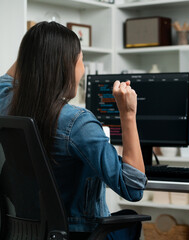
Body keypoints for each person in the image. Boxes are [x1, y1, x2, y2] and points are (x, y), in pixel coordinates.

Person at [0, 21, 147, 239]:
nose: (83, 68)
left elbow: (8, 78)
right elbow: (133, 188)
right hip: (77, 233)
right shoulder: (77, 123)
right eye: (82, 59)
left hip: (21, 232)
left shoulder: (4, 101)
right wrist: (127, 114)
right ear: (68, 66)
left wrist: (38, 46)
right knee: (130, 220)